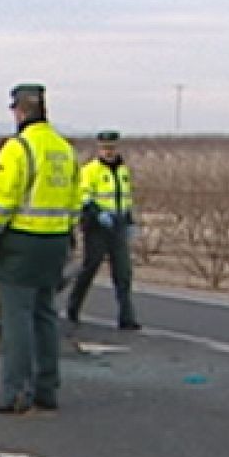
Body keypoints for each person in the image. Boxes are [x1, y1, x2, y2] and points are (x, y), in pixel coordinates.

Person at [0, 84, 78, 413]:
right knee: (45, 315)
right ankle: (47, 389)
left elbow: (2, 200)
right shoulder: (64, 149)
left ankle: (17, 393)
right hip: (55, 243)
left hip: (21, 244)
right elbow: (75, 200)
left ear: (19, 111)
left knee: (17, 319)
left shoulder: (18, 148)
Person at [66, 130, 141, 330]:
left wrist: (129, 221)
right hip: (97, 227)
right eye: (105, 148)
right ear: (99, 148)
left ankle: (127, 317)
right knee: (90, 268)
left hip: (118, 225)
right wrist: (98, 214)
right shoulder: (90, 170)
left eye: (112, 148)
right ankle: (73, 307)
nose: (108, 151)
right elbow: (83, 198)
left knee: (123, 272)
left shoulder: (123, 171)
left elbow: (125, 198)